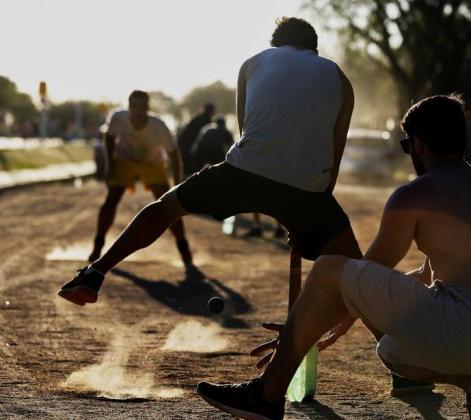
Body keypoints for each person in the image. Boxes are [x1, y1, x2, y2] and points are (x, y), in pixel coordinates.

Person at [196, 95, 471, 420]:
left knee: (328, 269)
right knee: (392, 350)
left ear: (420, 145)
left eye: (406, 145)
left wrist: (304, 330)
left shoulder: (415, 194)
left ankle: (265, 395)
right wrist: (334, 316)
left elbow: (362, 273)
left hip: (465, 326)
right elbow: (421, 276)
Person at [58, 18, 362, 306]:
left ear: (275, 44)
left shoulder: (254, 62)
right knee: (360, 272)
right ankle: (394, 342)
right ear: (314, 47)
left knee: (166, 207)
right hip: (308, 189)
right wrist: (308, 212)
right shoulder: (340, 79)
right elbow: (335, 150)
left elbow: (247, 133)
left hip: (244, 172)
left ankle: (95, 272)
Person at [86, 90, 192, 265]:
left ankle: (184, 248)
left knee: (169, 206)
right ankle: (97, 246)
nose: (138, 110)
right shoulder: (118, 117)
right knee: (111, 200)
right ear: (129, 107)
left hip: (152, 163)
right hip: (125, 161)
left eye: (142, 106)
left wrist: (177, 184)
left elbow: (174, 156)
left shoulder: (159, 126)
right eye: (134, 106)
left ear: (148, 108)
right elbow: (109, 138)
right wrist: (110, 165)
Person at [178, 103, 215, 176]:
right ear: (210, 111)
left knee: (188, 170)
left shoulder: (199, 117)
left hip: (185, 144)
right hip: (187, 145)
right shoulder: (206, 120)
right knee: (190, 170)